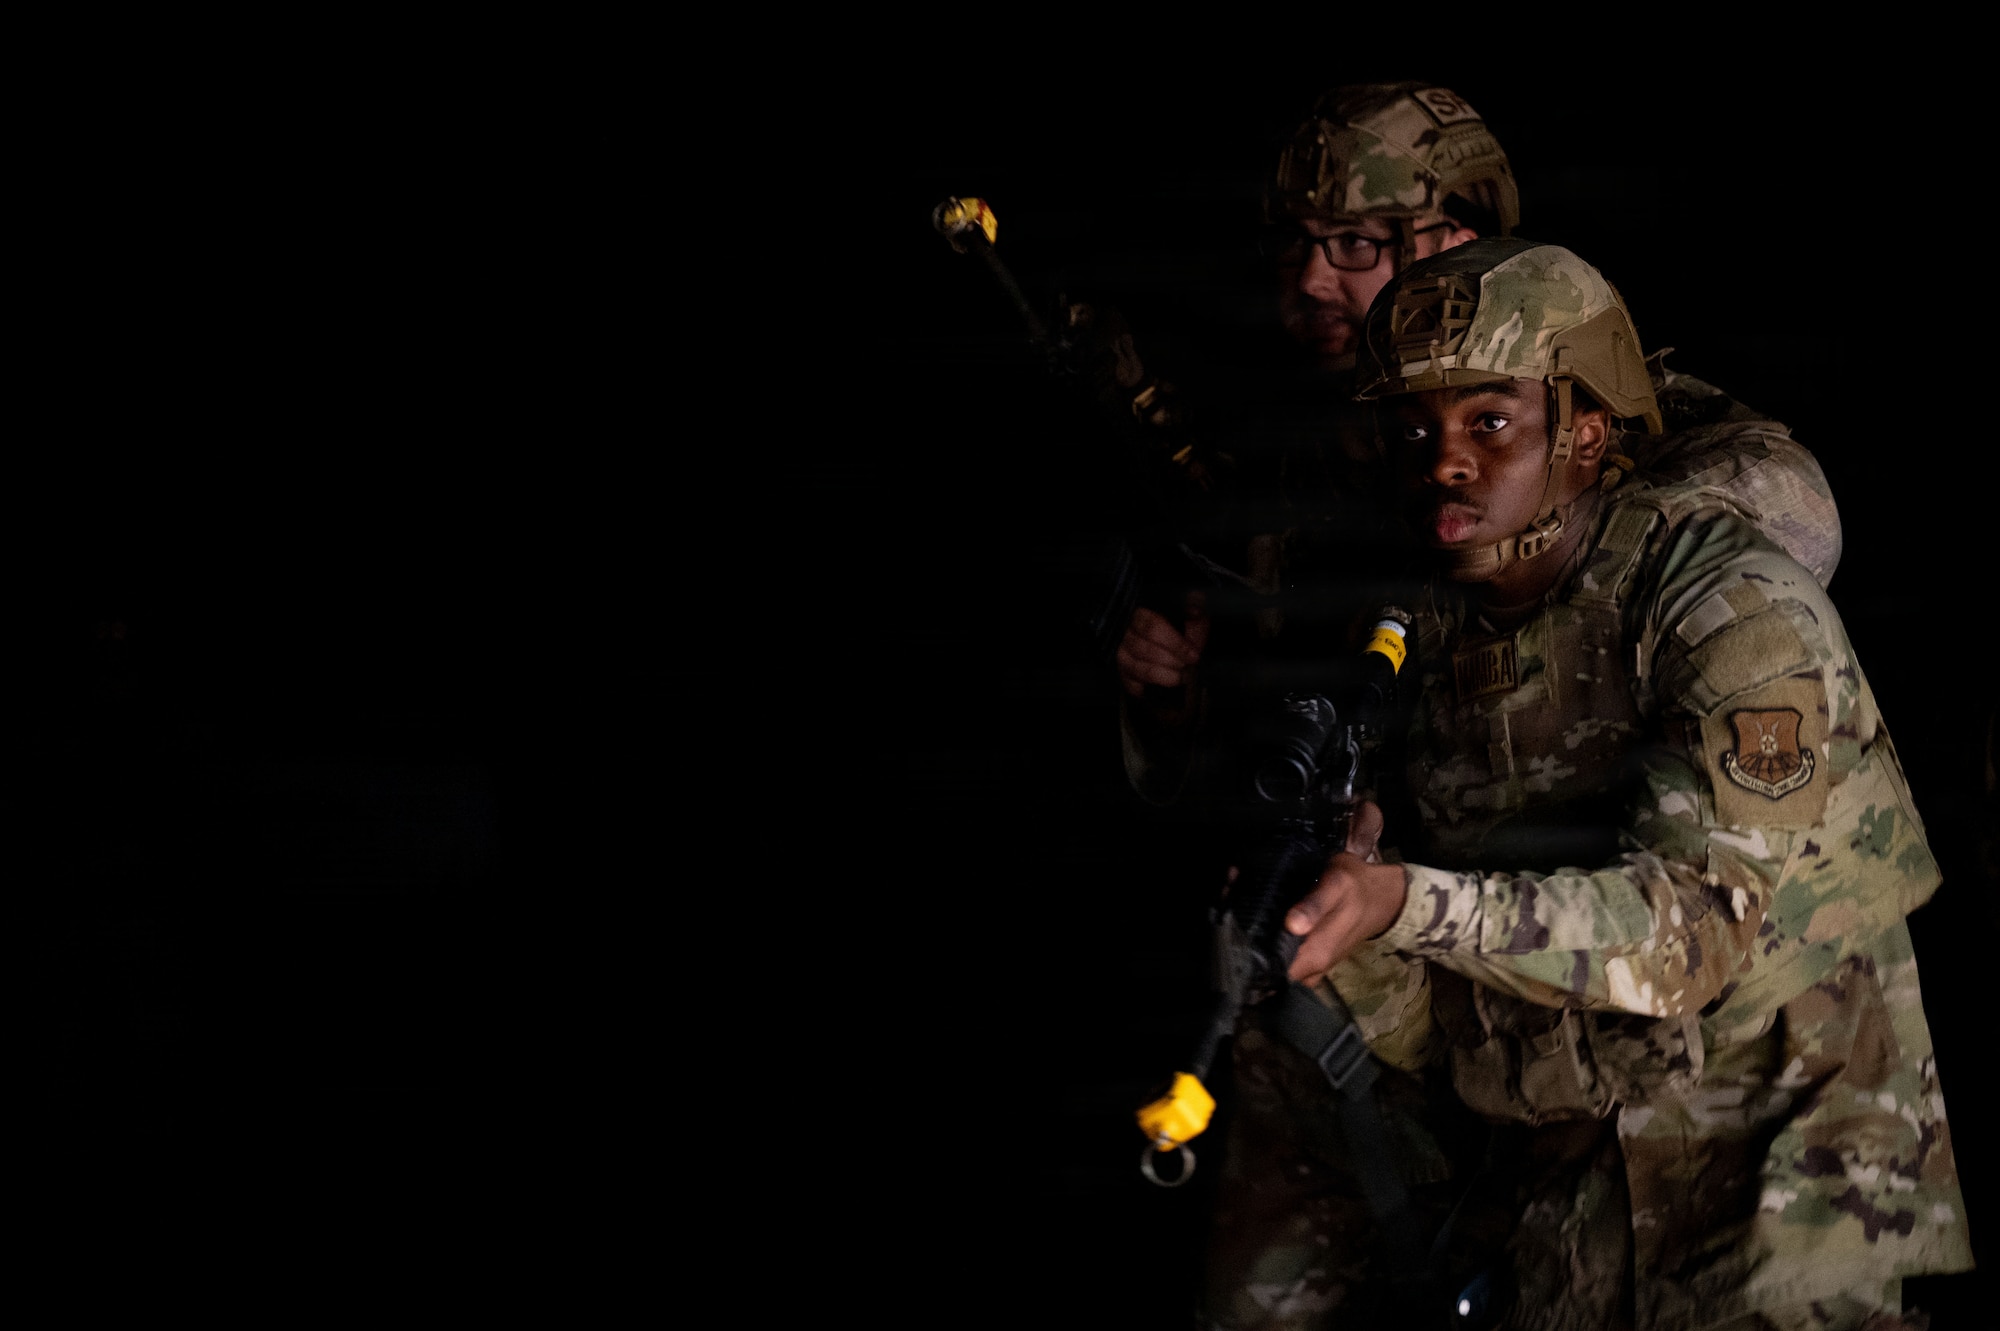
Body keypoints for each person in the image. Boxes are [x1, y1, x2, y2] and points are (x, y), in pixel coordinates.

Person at [1155, 238, 1973, 1327]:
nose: (1443, 461)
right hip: (1571, 1180)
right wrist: (1348, 942)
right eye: (1414, 428)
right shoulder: (1428, 642)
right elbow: (1455, 1031)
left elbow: (1689, 935)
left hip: (1786, 1174)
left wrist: (1405, 900)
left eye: (1488, 422)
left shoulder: (1727, 608)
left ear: (1586, 429)